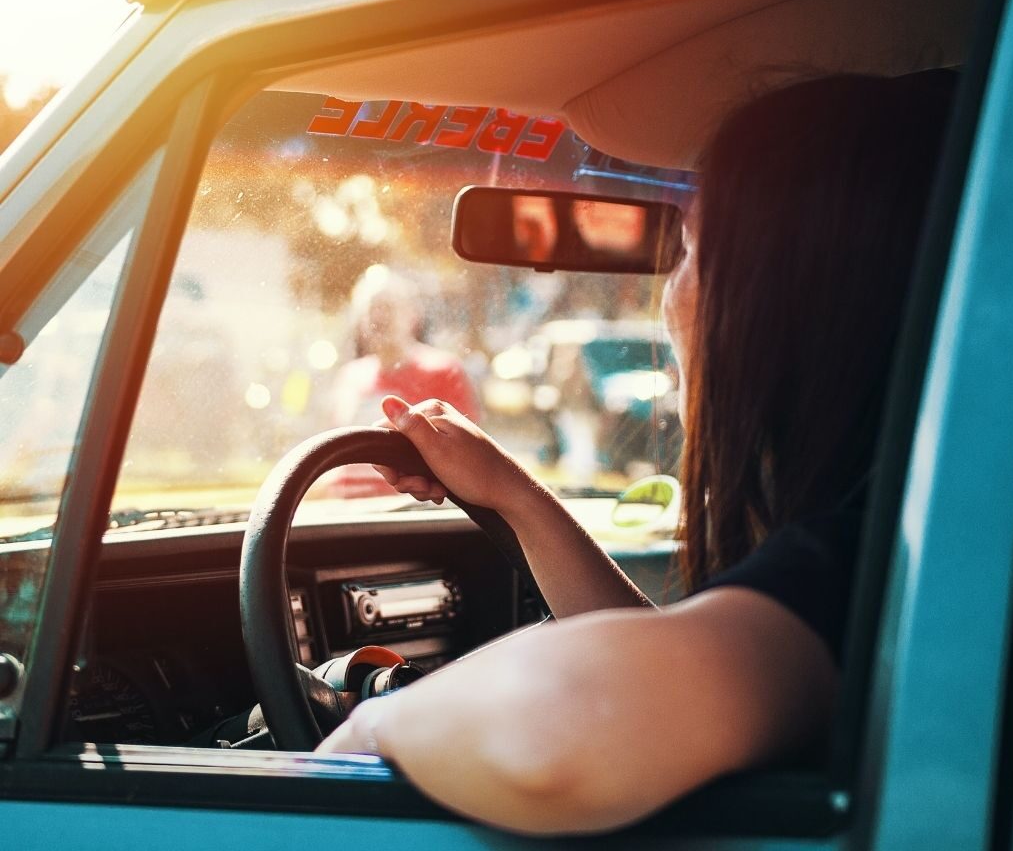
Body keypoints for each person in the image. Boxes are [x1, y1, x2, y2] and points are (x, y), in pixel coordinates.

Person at [316, 73, 953, 834]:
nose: (667, 294)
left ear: (779, 301)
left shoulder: (853, 560)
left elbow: (561, 728)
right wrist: (513, 494)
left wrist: (369, 728)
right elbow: (674, 673)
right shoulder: (916, 528)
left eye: (686, 249)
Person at [323, 267, 482, 496]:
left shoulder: (443, 370)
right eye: (371, 309)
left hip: (408, 513)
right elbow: (337, 457)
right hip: (348, 512)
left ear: (413, 314)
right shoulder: (351, 376)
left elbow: (469, 457)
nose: (379, 316)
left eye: (387, 307)